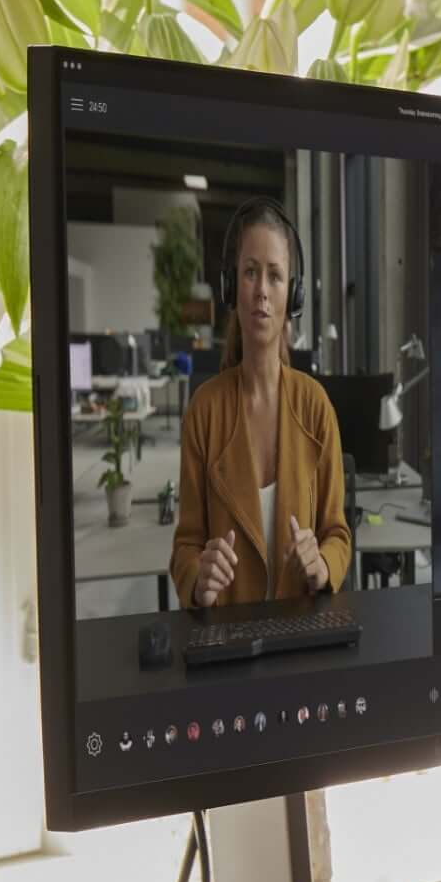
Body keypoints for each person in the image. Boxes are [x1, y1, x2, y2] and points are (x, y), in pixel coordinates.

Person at [171, 199, 352, 610]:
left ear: (294, 294)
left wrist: (322, 565)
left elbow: (337, 535)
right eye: (250, 272)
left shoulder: (315, 406)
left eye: (275, 276)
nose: (261, 292)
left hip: (301, 634)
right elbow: (185, 546)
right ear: (232, 287)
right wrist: (199, 578)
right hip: (228, 636)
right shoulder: (204, 410)